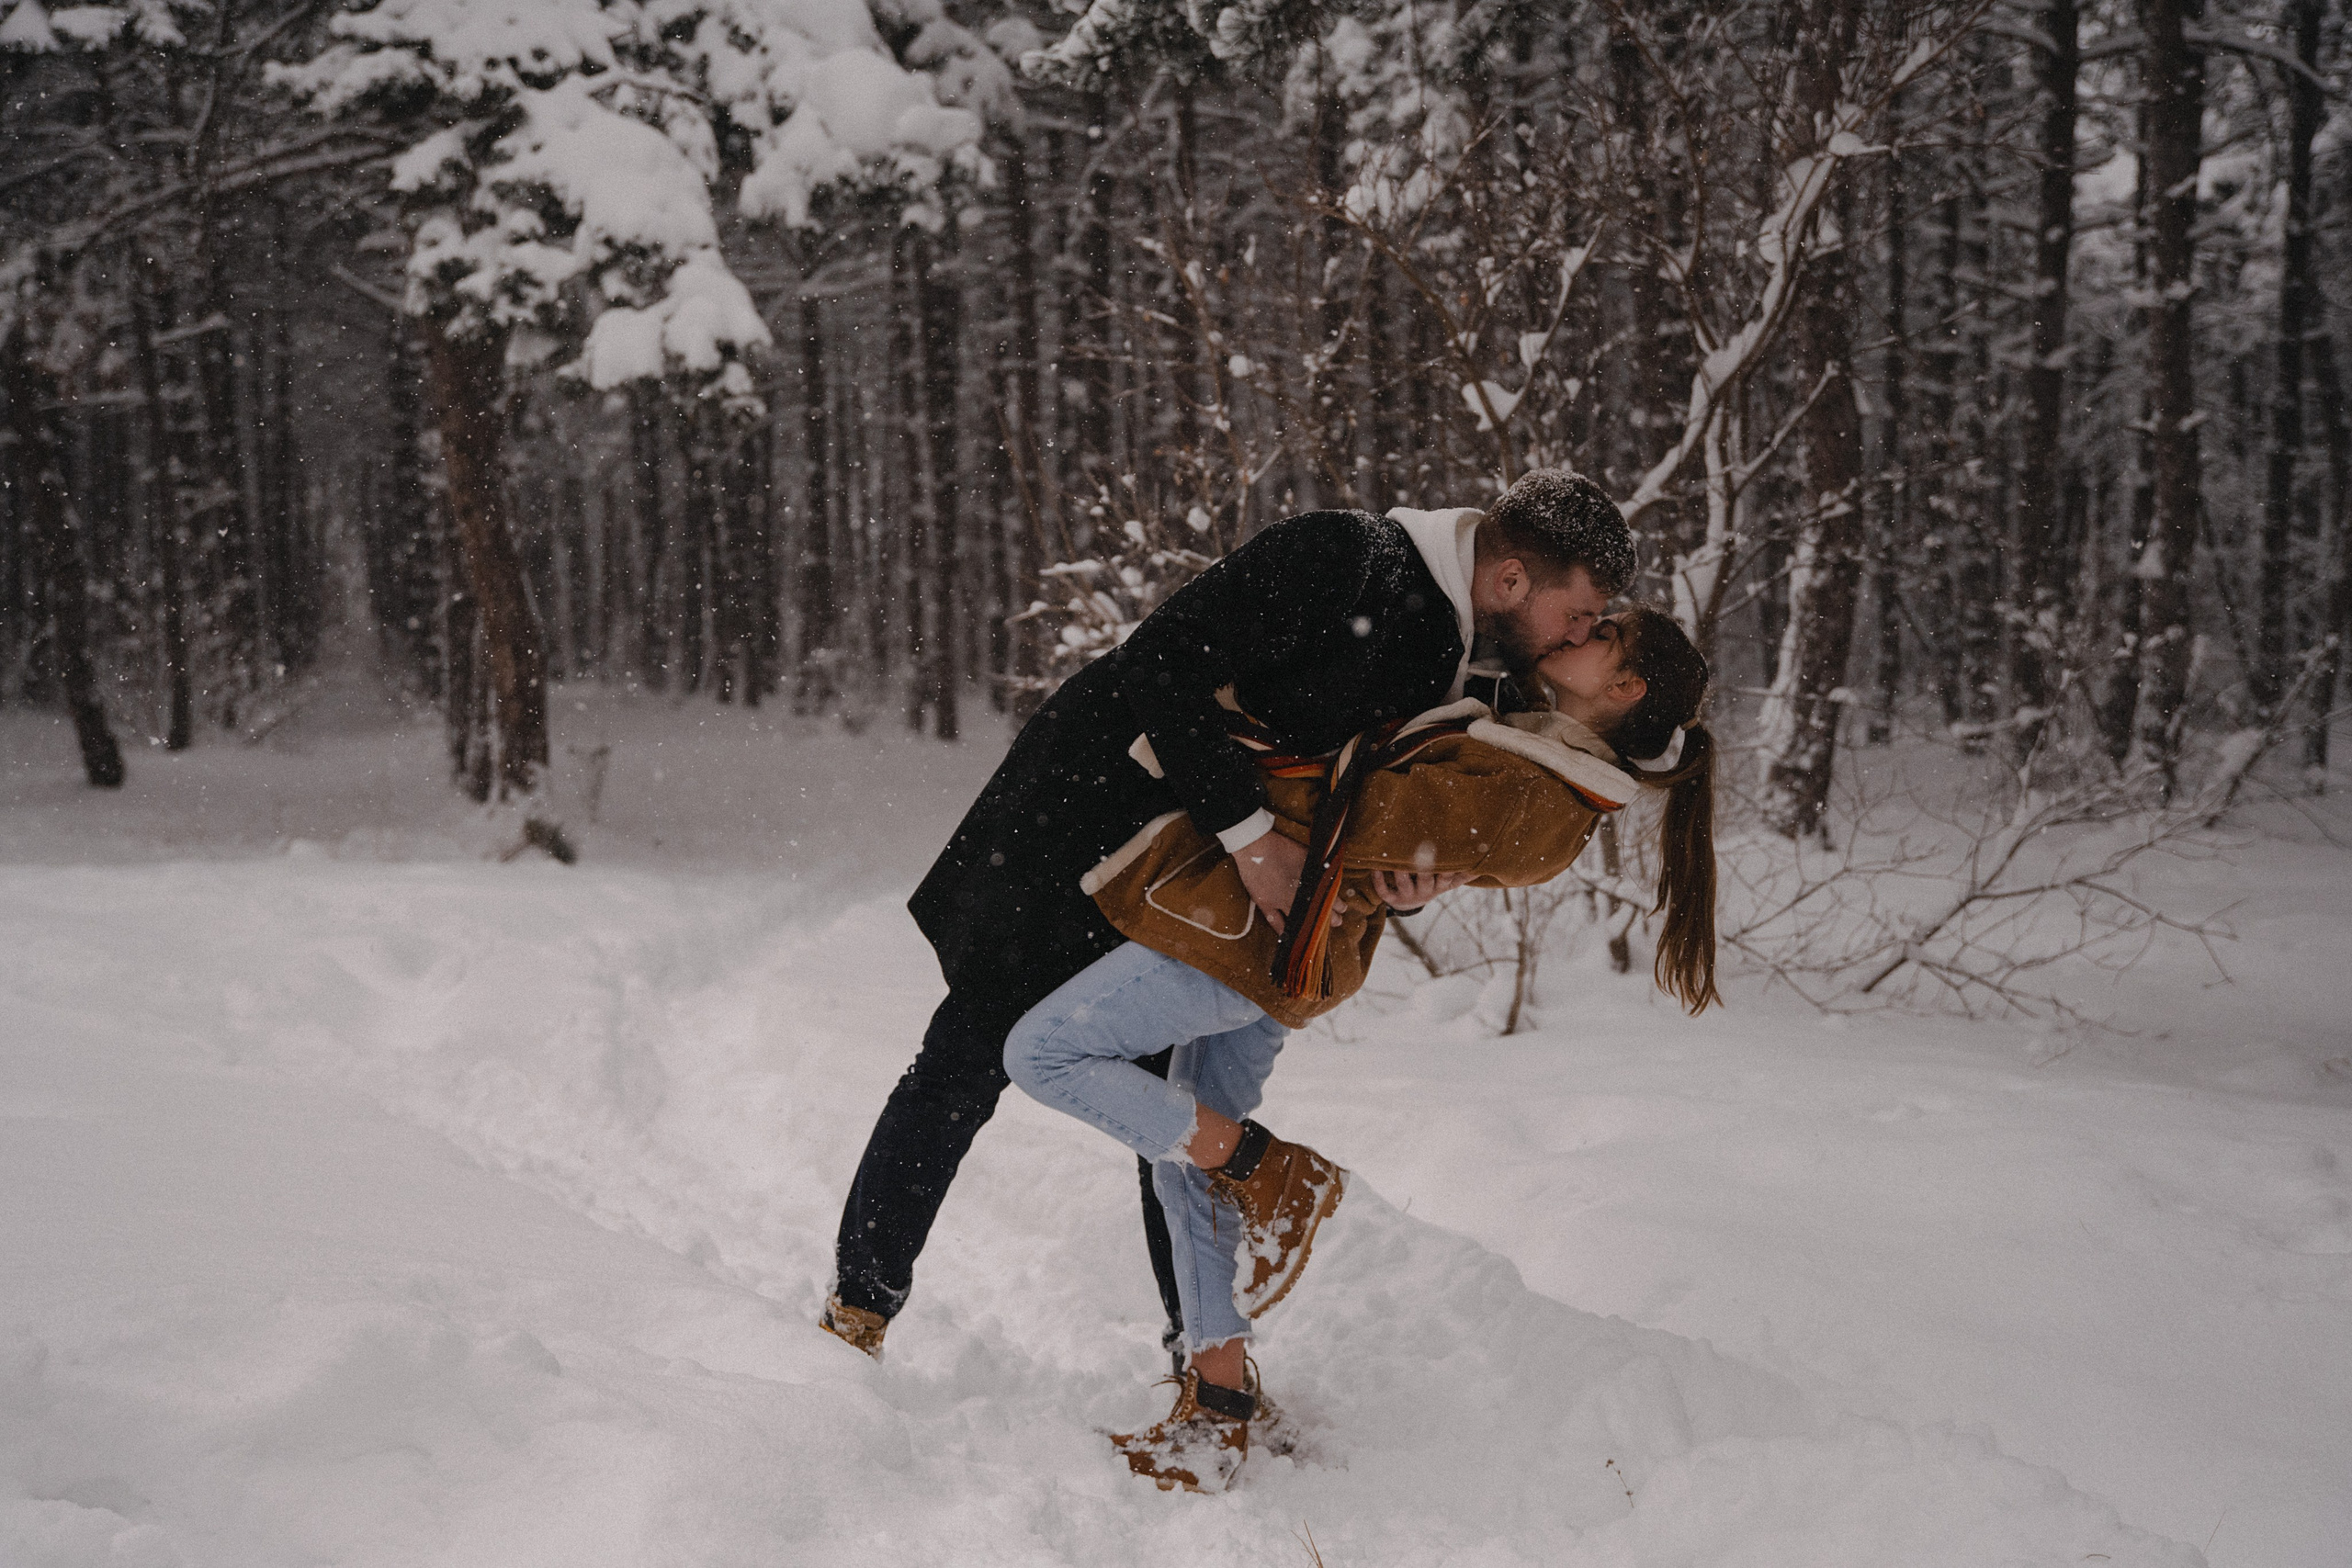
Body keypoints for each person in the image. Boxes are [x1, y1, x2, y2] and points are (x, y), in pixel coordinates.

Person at [821, 473, 1637, 1359]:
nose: (1582, 634)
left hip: (1186, 874)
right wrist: (1250, 836)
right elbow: (1157, 659)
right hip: (1086, 817)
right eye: (1581, 612)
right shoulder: (1346, 556)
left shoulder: (1474, 662)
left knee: (1173, 1104)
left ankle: (1206, 1366)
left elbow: (1392, 794)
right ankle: (856, 1315)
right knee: (966, 1058)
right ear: (1513, 579)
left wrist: (1420, 876)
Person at [1002, 606, 1719, 1492]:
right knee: (1185, 1158)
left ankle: (1276, 1172)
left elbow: (1361, 812)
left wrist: (1229, 735)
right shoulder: (1533, 738)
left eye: (1601, 634)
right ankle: (1218, 1411)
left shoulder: (1547, 793)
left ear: (1625, 688)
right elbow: (1390, 832)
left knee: (1044, 1055)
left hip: (1258, 944)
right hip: (1280, 936)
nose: (1576, 630)